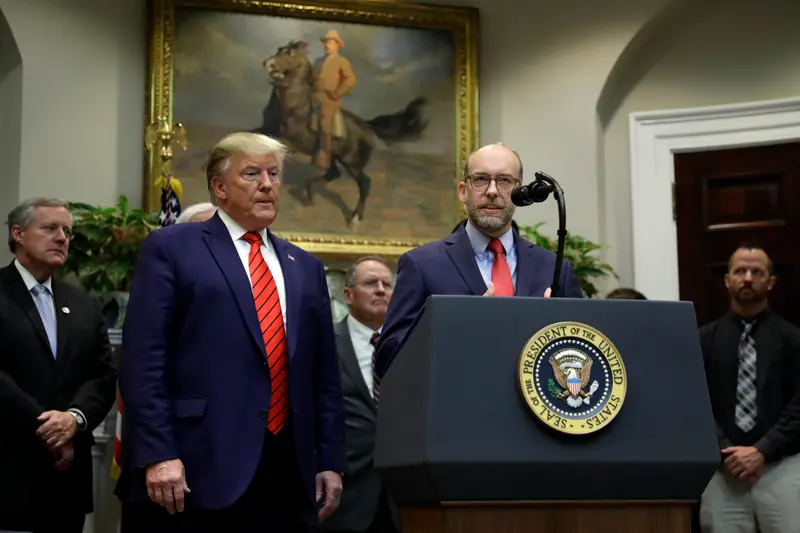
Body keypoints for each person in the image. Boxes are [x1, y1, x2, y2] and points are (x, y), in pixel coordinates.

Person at [117, 132, 345, 533]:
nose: (267, 184)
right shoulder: (173, 247)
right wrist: (158, 453)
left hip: (285, 470)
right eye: (252, 174)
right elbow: (143, 361)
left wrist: (329, 459)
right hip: (196, 464)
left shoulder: (304, 266)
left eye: (274, 174)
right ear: (220, 187)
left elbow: (323, 374)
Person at [374, 142, 583, 378]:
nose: (492, 191)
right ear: (463, 191)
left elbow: (582, 350)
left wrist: (552, 330)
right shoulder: (422, 264)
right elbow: (387, 358)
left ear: (520, 193)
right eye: (481, 179)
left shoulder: (554, 268)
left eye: (504, 181)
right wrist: (463, 328)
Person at [0, 197, 117, 533]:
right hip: (9, 469)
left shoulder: (84, 303)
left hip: (67, 482)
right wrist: (49, 430)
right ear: (18, 234)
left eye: (67, 231)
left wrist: (74, 419)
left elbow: (103, 375)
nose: (62, 237)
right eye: (50, 228)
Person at [698, 243, 800, 533]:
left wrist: (761, 451)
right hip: (722, 471)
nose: (747, 278)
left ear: (771, 282)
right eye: (740, 271)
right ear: (727, 279)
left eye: (757, 272)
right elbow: (694, 403)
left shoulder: (793, 340)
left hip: (782, 467)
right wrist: (726, 452)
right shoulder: (703, 340)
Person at [309, 256, 399, 533]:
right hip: (344, 491)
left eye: (387, 284)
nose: (381, 290)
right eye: (371, 283)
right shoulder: (322, 342)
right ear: (347, 295)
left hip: (402, 494)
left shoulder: (410, 342)